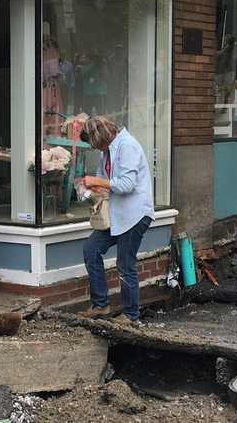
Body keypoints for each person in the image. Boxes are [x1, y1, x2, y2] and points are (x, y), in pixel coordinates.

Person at [78, 116, 155, 323]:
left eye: (97, 145)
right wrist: (93, 187)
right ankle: (100, 305)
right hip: (117, 214)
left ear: (102, 137)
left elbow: (127, 185)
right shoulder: (108, 151)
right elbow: (105, 180)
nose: (97, 150)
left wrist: (98, 181)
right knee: (91, 249)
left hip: (135, 214)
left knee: (125, 264)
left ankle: (130, 315)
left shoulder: (127, 146)